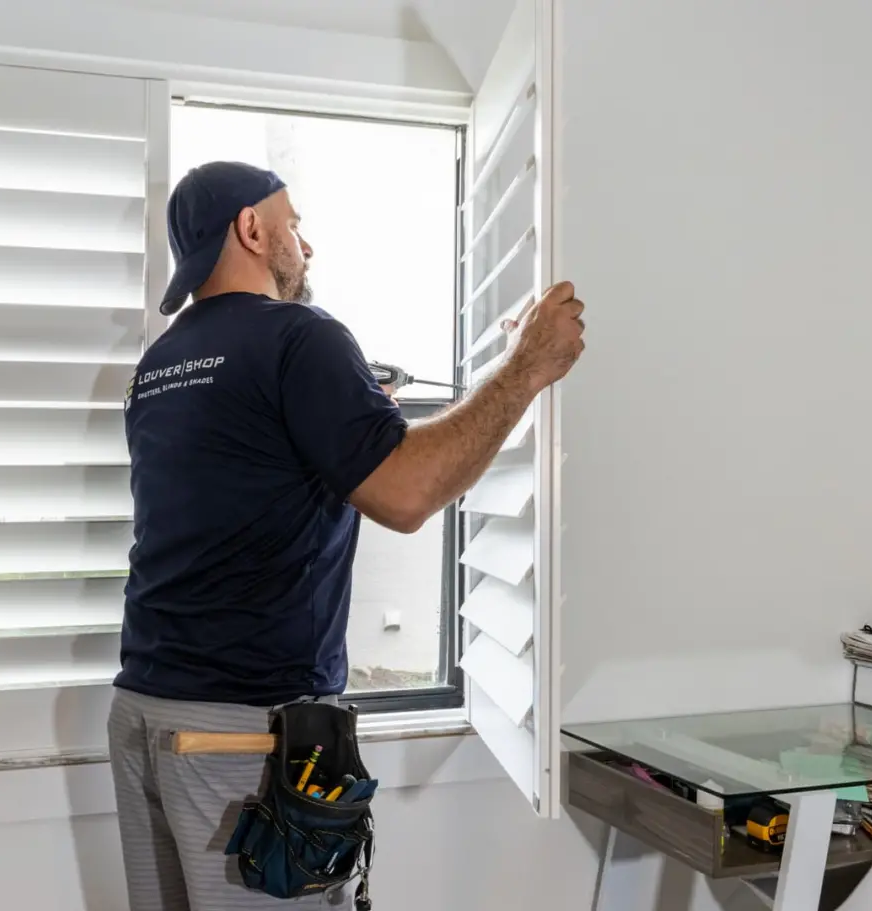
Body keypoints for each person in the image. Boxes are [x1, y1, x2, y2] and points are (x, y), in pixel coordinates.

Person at [108, 161, 585, 910]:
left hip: (144, 711)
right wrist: (524, 367)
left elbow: (243, 478)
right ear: (252, 228)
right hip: (240, 731)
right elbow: (404, 495)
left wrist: (352, 418)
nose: (307, 243)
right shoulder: (300, 335)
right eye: (292, 221)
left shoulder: (158, 367)